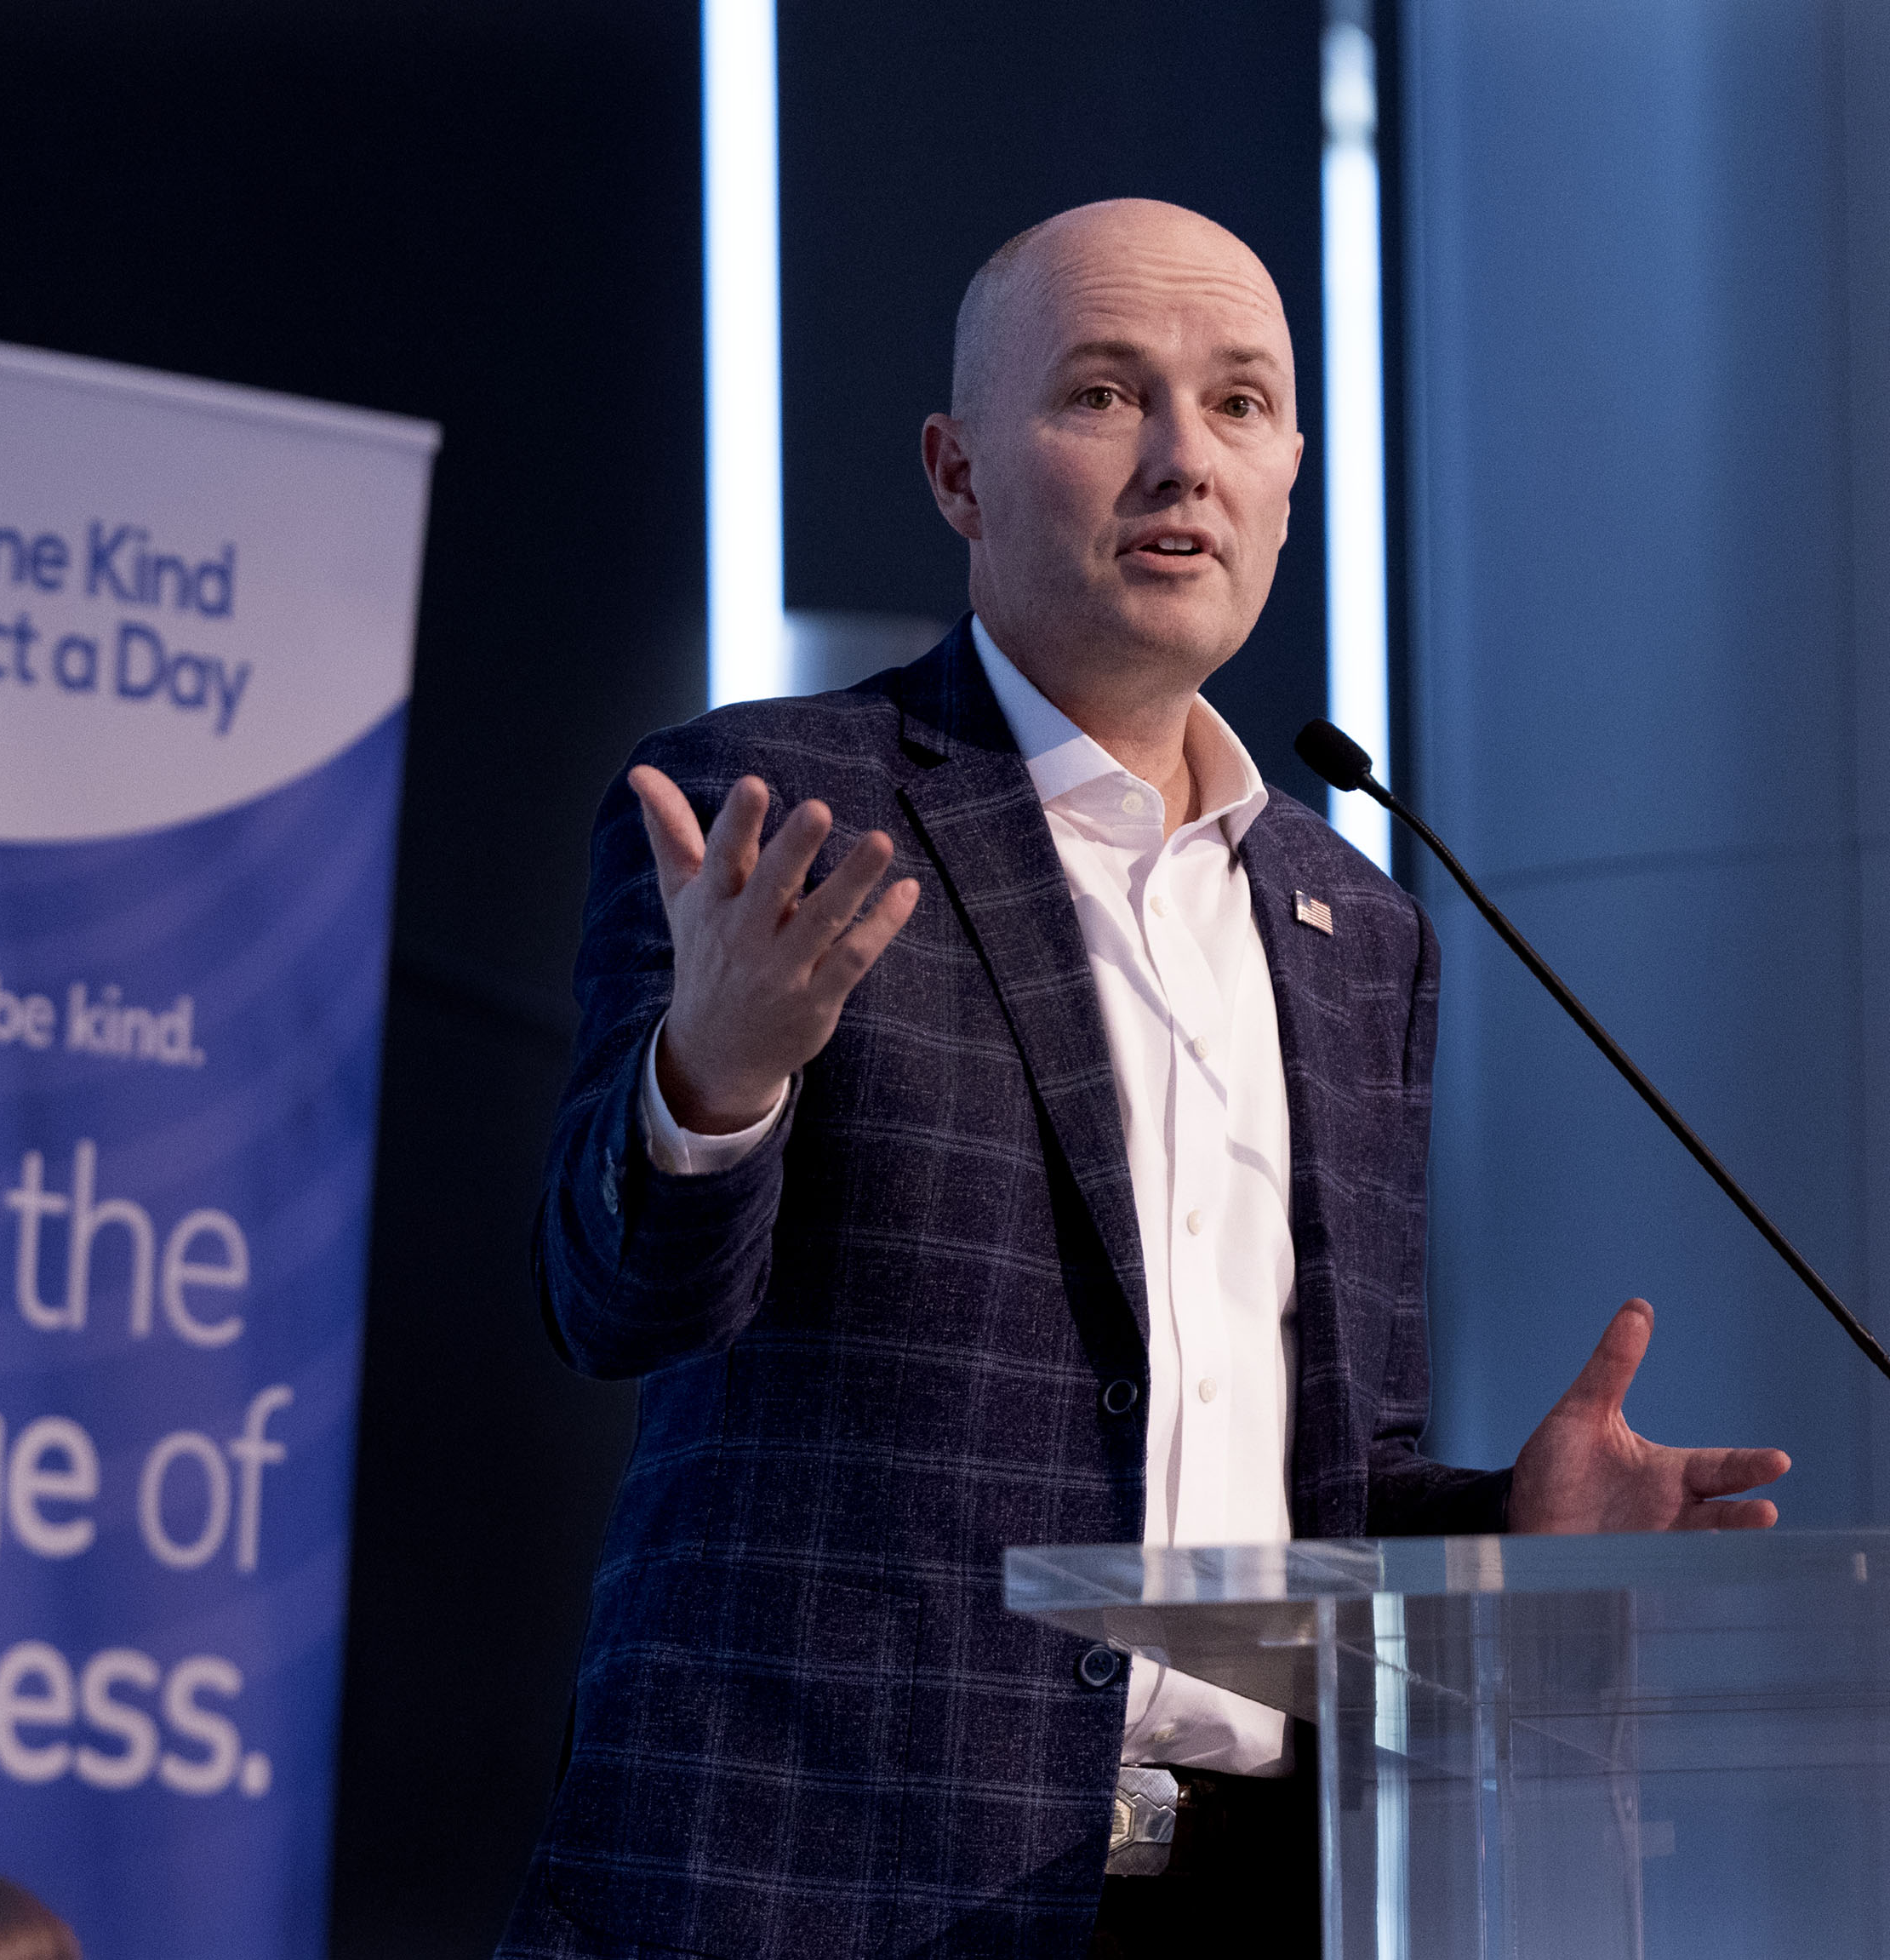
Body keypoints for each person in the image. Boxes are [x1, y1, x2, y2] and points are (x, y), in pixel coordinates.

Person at [494, 199, 1790, 1959]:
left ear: (1291, 478)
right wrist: (714, 1076)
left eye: (1242, 404)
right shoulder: (776, 812)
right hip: (831, 1886)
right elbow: (614, 1307)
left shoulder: (1357, 925)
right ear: (958, 472)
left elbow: (1314, 1482)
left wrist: (1508, 1534)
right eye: (1105, 394)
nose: (1186, 458)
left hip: (1249, 1896)